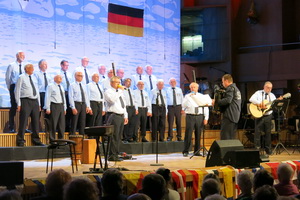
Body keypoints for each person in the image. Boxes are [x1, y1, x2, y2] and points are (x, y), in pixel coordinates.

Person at [14, 64, 44, 146]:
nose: (33, 69)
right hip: (25, 100)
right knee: (23, 121)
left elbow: (37, 90)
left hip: (35, 101)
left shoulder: (34, 77)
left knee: (35, 121)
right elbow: (17, 91)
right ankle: (20, 140)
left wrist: (39, 104)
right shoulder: (21, 77)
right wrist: (18, 104)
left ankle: (36, 140)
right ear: (27, 69)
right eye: (31, 68)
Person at [249, 81, 280, 155]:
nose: (269, 89)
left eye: (270, 88)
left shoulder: (272, 96)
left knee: (268, 133)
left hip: (268, 115)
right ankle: (257, 149)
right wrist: (259, 103)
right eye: (268, 88)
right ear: (264, 87)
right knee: (257, 133)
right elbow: (251, 99)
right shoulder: (258, 93)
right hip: (259, 115)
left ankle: (268, 149)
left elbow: (274, 106)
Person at [182, 82, 211, 157]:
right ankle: (186, 151)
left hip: (199, 116)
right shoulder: (187, 96)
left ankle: (197, 151)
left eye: (194, 87)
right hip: (190, 116)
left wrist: (206, 118)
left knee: (198, 133)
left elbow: (206, 107)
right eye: (191, 87)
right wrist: (188, 98)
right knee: (188, 133)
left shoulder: (201, 96)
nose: (192, 89)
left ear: (197, 88)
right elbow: (183, 105)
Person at [104, 76, 128, 161]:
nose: (118, 84)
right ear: (111, 83)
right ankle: (112, 155)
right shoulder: (108, 91)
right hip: (113, 115)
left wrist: (125, 115)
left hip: (120, 115)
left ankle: (116, 154)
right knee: (113, 136)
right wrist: (120, 91)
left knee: (118, 136)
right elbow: (112, 100)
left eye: (119, 82)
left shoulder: (119, 92)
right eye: (116, 82)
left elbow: (123, 105)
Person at [5, 50, 27, 133]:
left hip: (23, 87)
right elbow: (8, 77)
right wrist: (10, 87)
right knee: (14, 106)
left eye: (24, 55)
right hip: (14, 86)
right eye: (22, 55)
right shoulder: (12, 65)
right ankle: (11, 126)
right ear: (17, 56)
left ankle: (23, 127)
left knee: (24, 107)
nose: (23, 57)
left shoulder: (25, 66)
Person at [215, 74, 241, 140]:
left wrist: (216, 102)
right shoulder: (236, 89)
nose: (222, 83)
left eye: (223, 81)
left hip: (229, 116)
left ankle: (225, 150)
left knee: (225, 137)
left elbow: (228, 100)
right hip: (235, 116)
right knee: (231, 137)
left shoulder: (230, 88)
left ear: (226, 81)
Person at [44, 75, 67, 142]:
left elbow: (63, 98)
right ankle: (52, 139)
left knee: (61, 124)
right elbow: (47, 97)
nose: (61, 78)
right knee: (53, 123)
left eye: (61, 77)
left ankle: (61, 139)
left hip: (61, 106)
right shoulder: (50, 86)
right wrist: (47, 107)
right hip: (54, 105)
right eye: (59, 77)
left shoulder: (61, 86)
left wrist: (65, 108)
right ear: (54, 78)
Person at [122, 78, 138, 143]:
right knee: (126, 123)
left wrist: (136, 108)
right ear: (124, 82)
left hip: (132, 108)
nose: (129, 83)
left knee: (132, 123)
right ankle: (125, 138)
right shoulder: (122, 90)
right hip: (126, 108)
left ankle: (129, 137)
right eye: (128, 82)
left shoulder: (132, 91)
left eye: (130, 82)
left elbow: (135, 100)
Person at [60, 60, 73, 132]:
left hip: (69, 94)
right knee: (63, 111)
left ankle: (68, 127)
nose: (66, 67)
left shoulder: (70, 74)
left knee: (69, 111)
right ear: (61, 65)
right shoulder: (58, 73)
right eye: (65, 65)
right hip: (62, 93)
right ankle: (62, 127)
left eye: (68, 65)